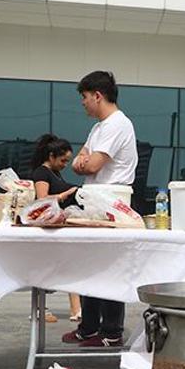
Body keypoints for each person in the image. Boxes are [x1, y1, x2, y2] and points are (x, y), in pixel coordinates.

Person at [61, 71, 138, 347]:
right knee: (89, 266)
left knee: (108, 268)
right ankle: (89, 326)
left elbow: (90, 165)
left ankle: (112, 331)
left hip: (112, 203)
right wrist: (83, 160)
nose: (82, 103)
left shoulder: (118, 124)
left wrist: (85, 161)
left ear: (98, 95)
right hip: (95, 201)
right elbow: (78, 159)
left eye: (84, 97)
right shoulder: (98, 128)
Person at [31, 133, 81, 322]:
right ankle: (39, 308)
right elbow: (42, 199)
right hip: (47, 229)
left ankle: (76, 309)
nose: (65, 164)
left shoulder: (54, 173)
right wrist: (64, 194)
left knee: (70, 265)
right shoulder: (41, 173)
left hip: (58, 226)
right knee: (46, 268)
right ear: (51, 156)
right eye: (63, 160)